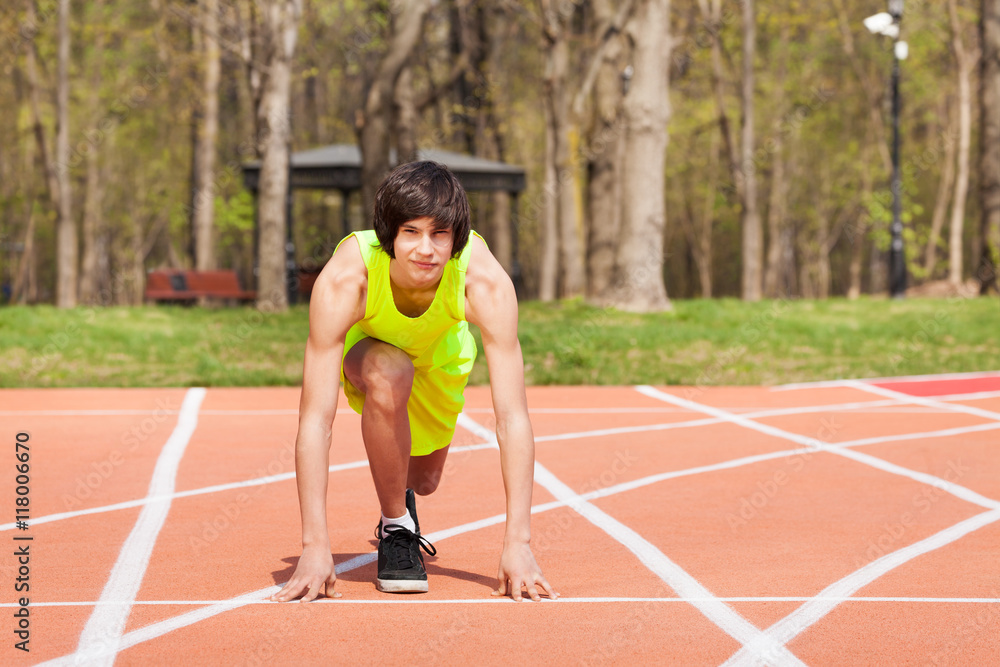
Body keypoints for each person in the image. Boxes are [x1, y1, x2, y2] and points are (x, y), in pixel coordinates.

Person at [271, 161, 557, 602]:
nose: (426, 249)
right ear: (389, 235)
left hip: (442, 357)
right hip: (372, 351)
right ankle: (396, 527)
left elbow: (512, 418)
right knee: (390, 371)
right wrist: (314, 547)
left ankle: (403, 495)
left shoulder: (483, 282)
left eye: (439, 234)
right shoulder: (349, 278)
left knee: (423, 480)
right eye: (411, 232)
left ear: (456, 237)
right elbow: (315, 420)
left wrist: (518, 545)